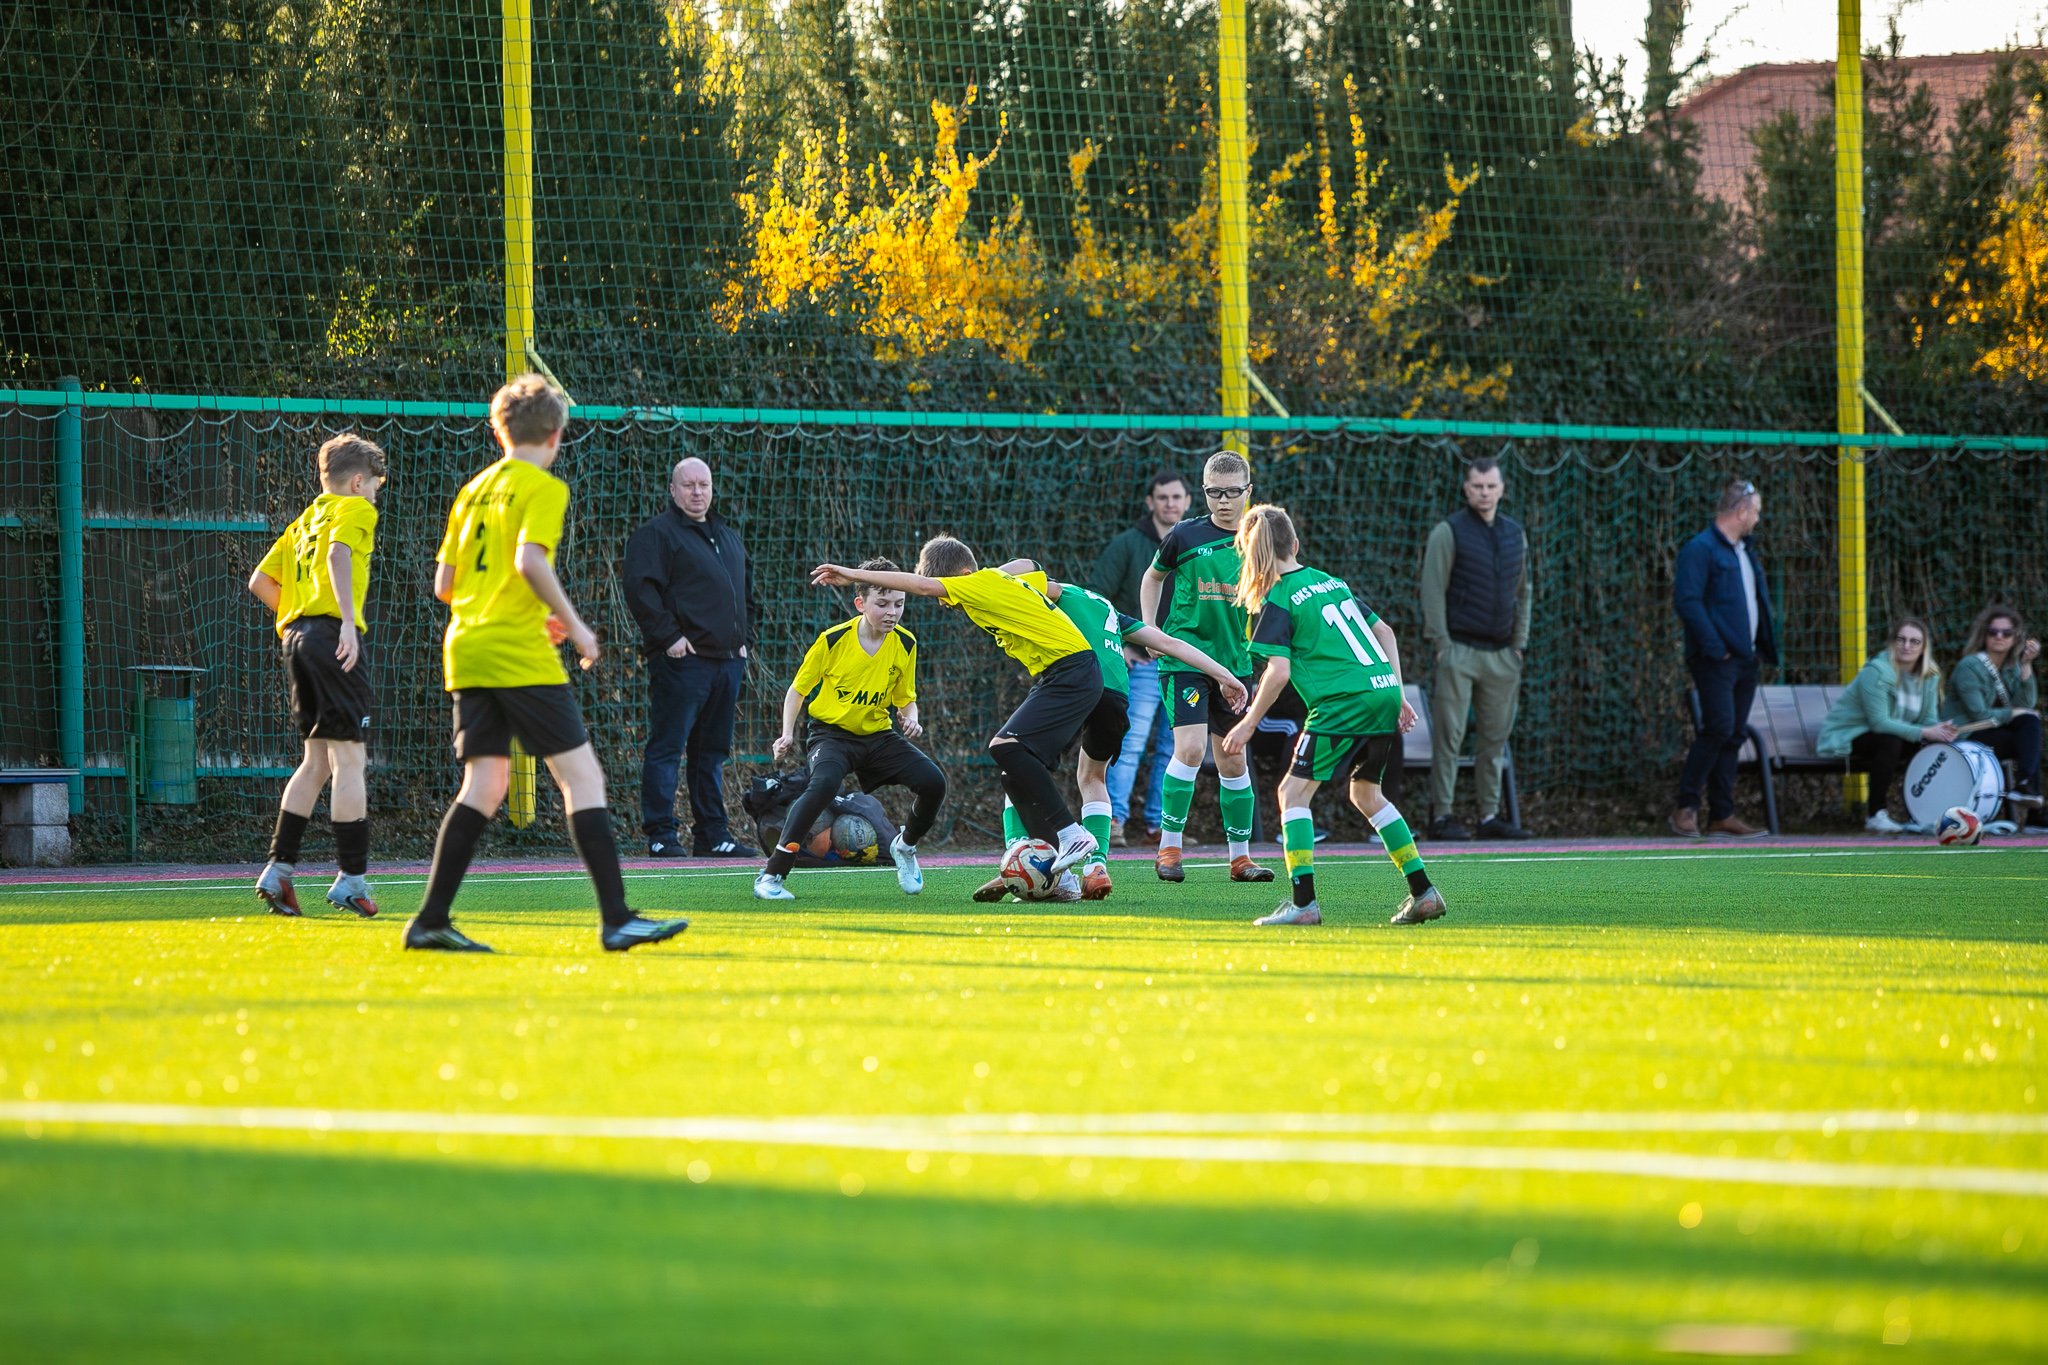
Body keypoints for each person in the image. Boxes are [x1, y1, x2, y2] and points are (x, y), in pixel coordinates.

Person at [402, 376, 688, 953]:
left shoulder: (474, 490)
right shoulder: (543, 488)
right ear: (556, 435)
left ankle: (429, 920)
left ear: (499, 431)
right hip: (517, 654)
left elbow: (445, 585)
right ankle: (617, 919)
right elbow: (530, 561)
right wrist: (574, 625)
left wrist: (530, 609)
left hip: (468, 647)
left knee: (485, 785)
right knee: (583, 778)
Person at [811, 541, 1104, 896]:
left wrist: (853, 574)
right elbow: (1030, 563)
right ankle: (1063, 878)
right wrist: (1000, 572)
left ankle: (1071, 833)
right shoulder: (993, 581)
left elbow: (923, 586)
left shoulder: (978, 584)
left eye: (946, 591)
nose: (943, 601)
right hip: (1068, 675)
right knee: (1014, 776)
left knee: (1005, 747)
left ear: (964, 576)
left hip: (1072, 672)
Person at [1220, 506, 1446, 927]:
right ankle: (1424, 893)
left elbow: (1278, 671)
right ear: (1295, 544)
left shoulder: (1279, 597)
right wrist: (1397, 693)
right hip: (1381, 691)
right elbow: (1384, 632)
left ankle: (1303, 905)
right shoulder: (1331, 582)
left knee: (1291, 794)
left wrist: (1248, 723)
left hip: (1342, 702)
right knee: (1367, 794)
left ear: (1252, 555)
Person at [995, 559, 1249, 900]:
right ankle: (1096, 867)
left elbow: (1024, 574)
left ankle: (1018, 854)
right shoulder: (1106, 608)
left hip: (1076, 684)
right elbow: (1169, 643)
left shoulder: (1054, 592)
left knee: (1017, 762)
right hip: (1116, 696)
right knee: (1092, 778)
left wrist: (987, 578)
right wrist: (1224, 675)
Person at [247, 434, 388, 919]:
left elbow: (260, 582)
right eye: (375, 486)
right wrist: (344, 622)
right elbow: (337, 555)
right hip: (332, 638)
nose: (375, 496)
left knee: (316, 763)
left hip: (298, 640)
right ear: (357, 482)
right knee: (350, 760)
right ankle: (351, 880)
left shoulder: (302, 522)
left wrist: (299, 622)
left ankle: (277, 871)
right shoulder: (356, 510)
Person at [753, 558, 945, 902]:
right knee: (824, 785)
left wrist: (911, 717)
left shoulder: (906, 643)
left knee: (934, 782)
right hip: (831, 735)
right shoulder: (833, 640)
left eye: (899, 604)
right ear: (860, 604)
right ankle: (772, 875)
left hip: (878, 736)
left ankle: (905, 846)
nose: (892, 612)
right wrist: (787, 733)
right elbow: (797, 690)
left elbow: (906, 698)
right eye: (882, 604)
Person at [1139, 451, 1272, 884]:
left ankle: (1241, 859)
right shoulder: (1184, 534)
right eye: (1215, 492)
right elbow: (1152, 577)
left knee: (1233, 759)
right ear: (1204, 491)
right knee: (1192, 749)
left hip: (1236, 663)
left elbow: (1272, 596)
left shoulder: (1259, 540)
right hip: (1186, 658)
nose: (1224, 501)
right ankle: (1169, 850)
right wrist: (1150, 629)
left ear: (1249, 491)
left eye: (1233, 492)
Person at [622, 457, 758, 859]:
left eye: (704, 485)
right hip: (683, 663)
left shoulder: (728, 537)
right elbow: (640, 590)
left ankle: (712, 835)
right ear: (673, 490)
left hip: (728, 662)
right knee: (667, 748)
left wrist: (745, 641)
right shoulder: (656, 535)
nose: (697, 492)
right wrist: (671, 638)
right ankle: (661, 834)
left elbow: (748, 594)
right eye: (688, 485)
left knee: (711, 753)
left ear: (712, 489)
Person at [1420, 456, 1533, 841]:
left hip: (1503, 655)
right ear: (1466, 488)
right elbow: (1432, 590)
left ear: (1501, 489)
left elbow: (1525, 591)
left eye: (1491, 486)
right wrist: (1442, 645)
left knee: (1495, 739)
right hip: (1459, 651)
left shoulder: (1515, 534)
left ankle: (1489, 817)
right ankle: (1442, 817)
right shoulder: (1448, 531)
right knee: (1448, 738)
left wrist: (1518, 645)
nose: (1485, 493)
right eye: (1478, 486)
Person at [1670, 478, 1775, 839]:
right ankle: (1685, 808)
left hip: (1746, 660)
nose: (1757, 519)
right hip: (1715, 660)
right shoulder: (1700, 549)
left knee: (1733, 734)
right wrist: (1716, 647)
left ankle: (1722, 814)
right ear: (1741, 512)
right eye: (1756, 512)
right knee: (1717, 728)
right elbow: (1687, 601)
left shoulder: (1744, 551)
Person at [1089, 469, 1189, 845]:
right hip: (1144, 664)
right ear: (1150, 502)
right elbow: (1094, 597)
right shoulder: (1127, 544)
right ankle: (1114, 820)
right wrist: (1124, 645)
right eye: (1162, 497)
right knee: (1129, 743)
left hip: (1186, 663)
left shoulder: (1197, 543)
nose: (1170, 504)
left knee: (1174, 746)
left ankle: (1160, 826)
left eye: (1176, 497)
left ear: (1188, 501)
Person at [1816, 618, 1955, 832]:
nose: (1907, 646)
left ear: (1924, 647)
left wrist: (1939, 730)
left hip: (1891, 736)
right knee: (1891, 742)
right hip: (1849, 735)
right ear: (1892, 642)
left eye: (1914, 641)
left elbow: (1928, 718)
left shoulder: (1929, 676)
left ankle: (1925, 814)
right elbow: (1879, 723)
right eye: (1901, 639)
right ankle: (1875, 815)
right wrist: (1925, 731)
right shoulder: (1877, 671)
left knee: (1931, 746)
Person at [1941, 604, 2042, 813]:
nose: (1999, 636)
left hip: (1989, 732)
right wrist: (2015, 713)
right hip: (1963, 735)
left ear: (2015, 638)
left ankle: (2026, 790)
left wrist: (2025, 664)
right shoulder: (1969, 666)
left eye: (2006, 633)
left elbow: (2026, 705)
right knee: (2029, 739)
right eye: (1993, 632)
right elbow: (1979, 715)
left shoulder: (2011, 667)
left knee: (2030, 731)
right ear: (1984, 635)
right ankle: (2034, 807)